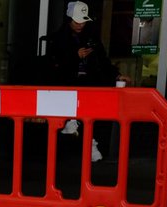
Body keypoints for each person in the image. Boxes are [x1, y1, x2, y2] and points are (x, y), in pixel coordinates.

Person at [49, 1, 126, 162]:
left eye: (83, 21)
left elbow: (103, 61)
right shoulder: (59, 38)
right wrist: (74, 56)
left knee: (92, 114)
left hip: (89, 82)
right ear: (68, 19)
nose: (80, 25)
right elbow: (54, 65)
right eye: (77, 21)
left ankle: (88, 141)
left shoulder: (92, 37)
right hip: (68, 83)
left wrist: (116, 75)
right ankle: (78, 131)